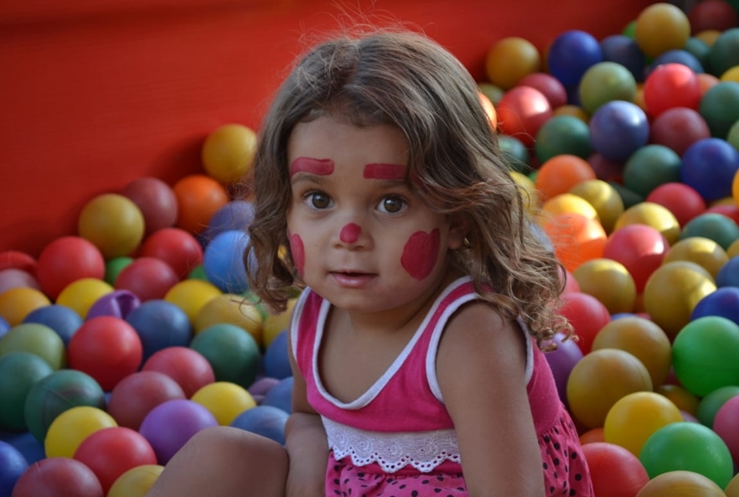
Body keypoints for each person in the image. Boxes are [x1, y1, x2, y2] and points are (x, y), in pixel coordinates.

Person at [147, 28, 592, 497]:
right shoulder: (315, 316)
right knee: (217, 455)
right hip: (350, 484)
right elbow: (306, 416)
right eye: (318, 198)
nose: (348, 236)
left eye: (391, 203)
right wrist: (307, 464)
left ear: (458, 216)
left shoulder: (469, 336)